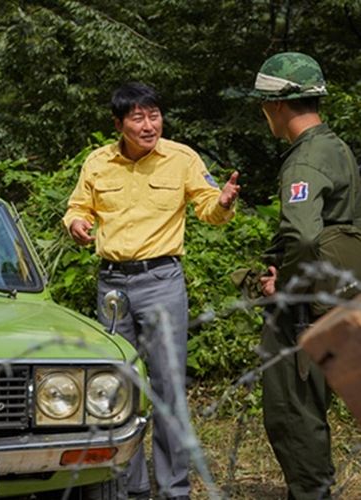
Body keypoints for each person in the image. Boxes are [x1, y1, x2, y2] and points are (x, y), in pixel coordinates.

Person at [63, 82, 240, 500]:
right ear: (119, 124)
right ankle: (129, 486)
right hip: (112, 285)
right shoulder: (98, 162)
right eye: (138, 117)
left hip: (161, 282)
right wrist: (76, 224)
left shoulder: (182, 158)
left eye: (154, 115)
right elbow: (77, 207)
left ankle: (174, 489)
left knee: (167, 388)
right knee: (116, 388)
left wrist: (224, 202)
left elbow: (209, 209)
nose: (149, 125)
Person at [252, 52, 361, 500]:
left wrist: (285, 286)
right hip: (339, 296)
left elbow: (301, 235)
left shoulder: (303, 161)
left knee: (292, 412)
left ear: (276, 105)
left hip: (303, 309)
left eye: (264, 104)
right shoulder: (338, 148)